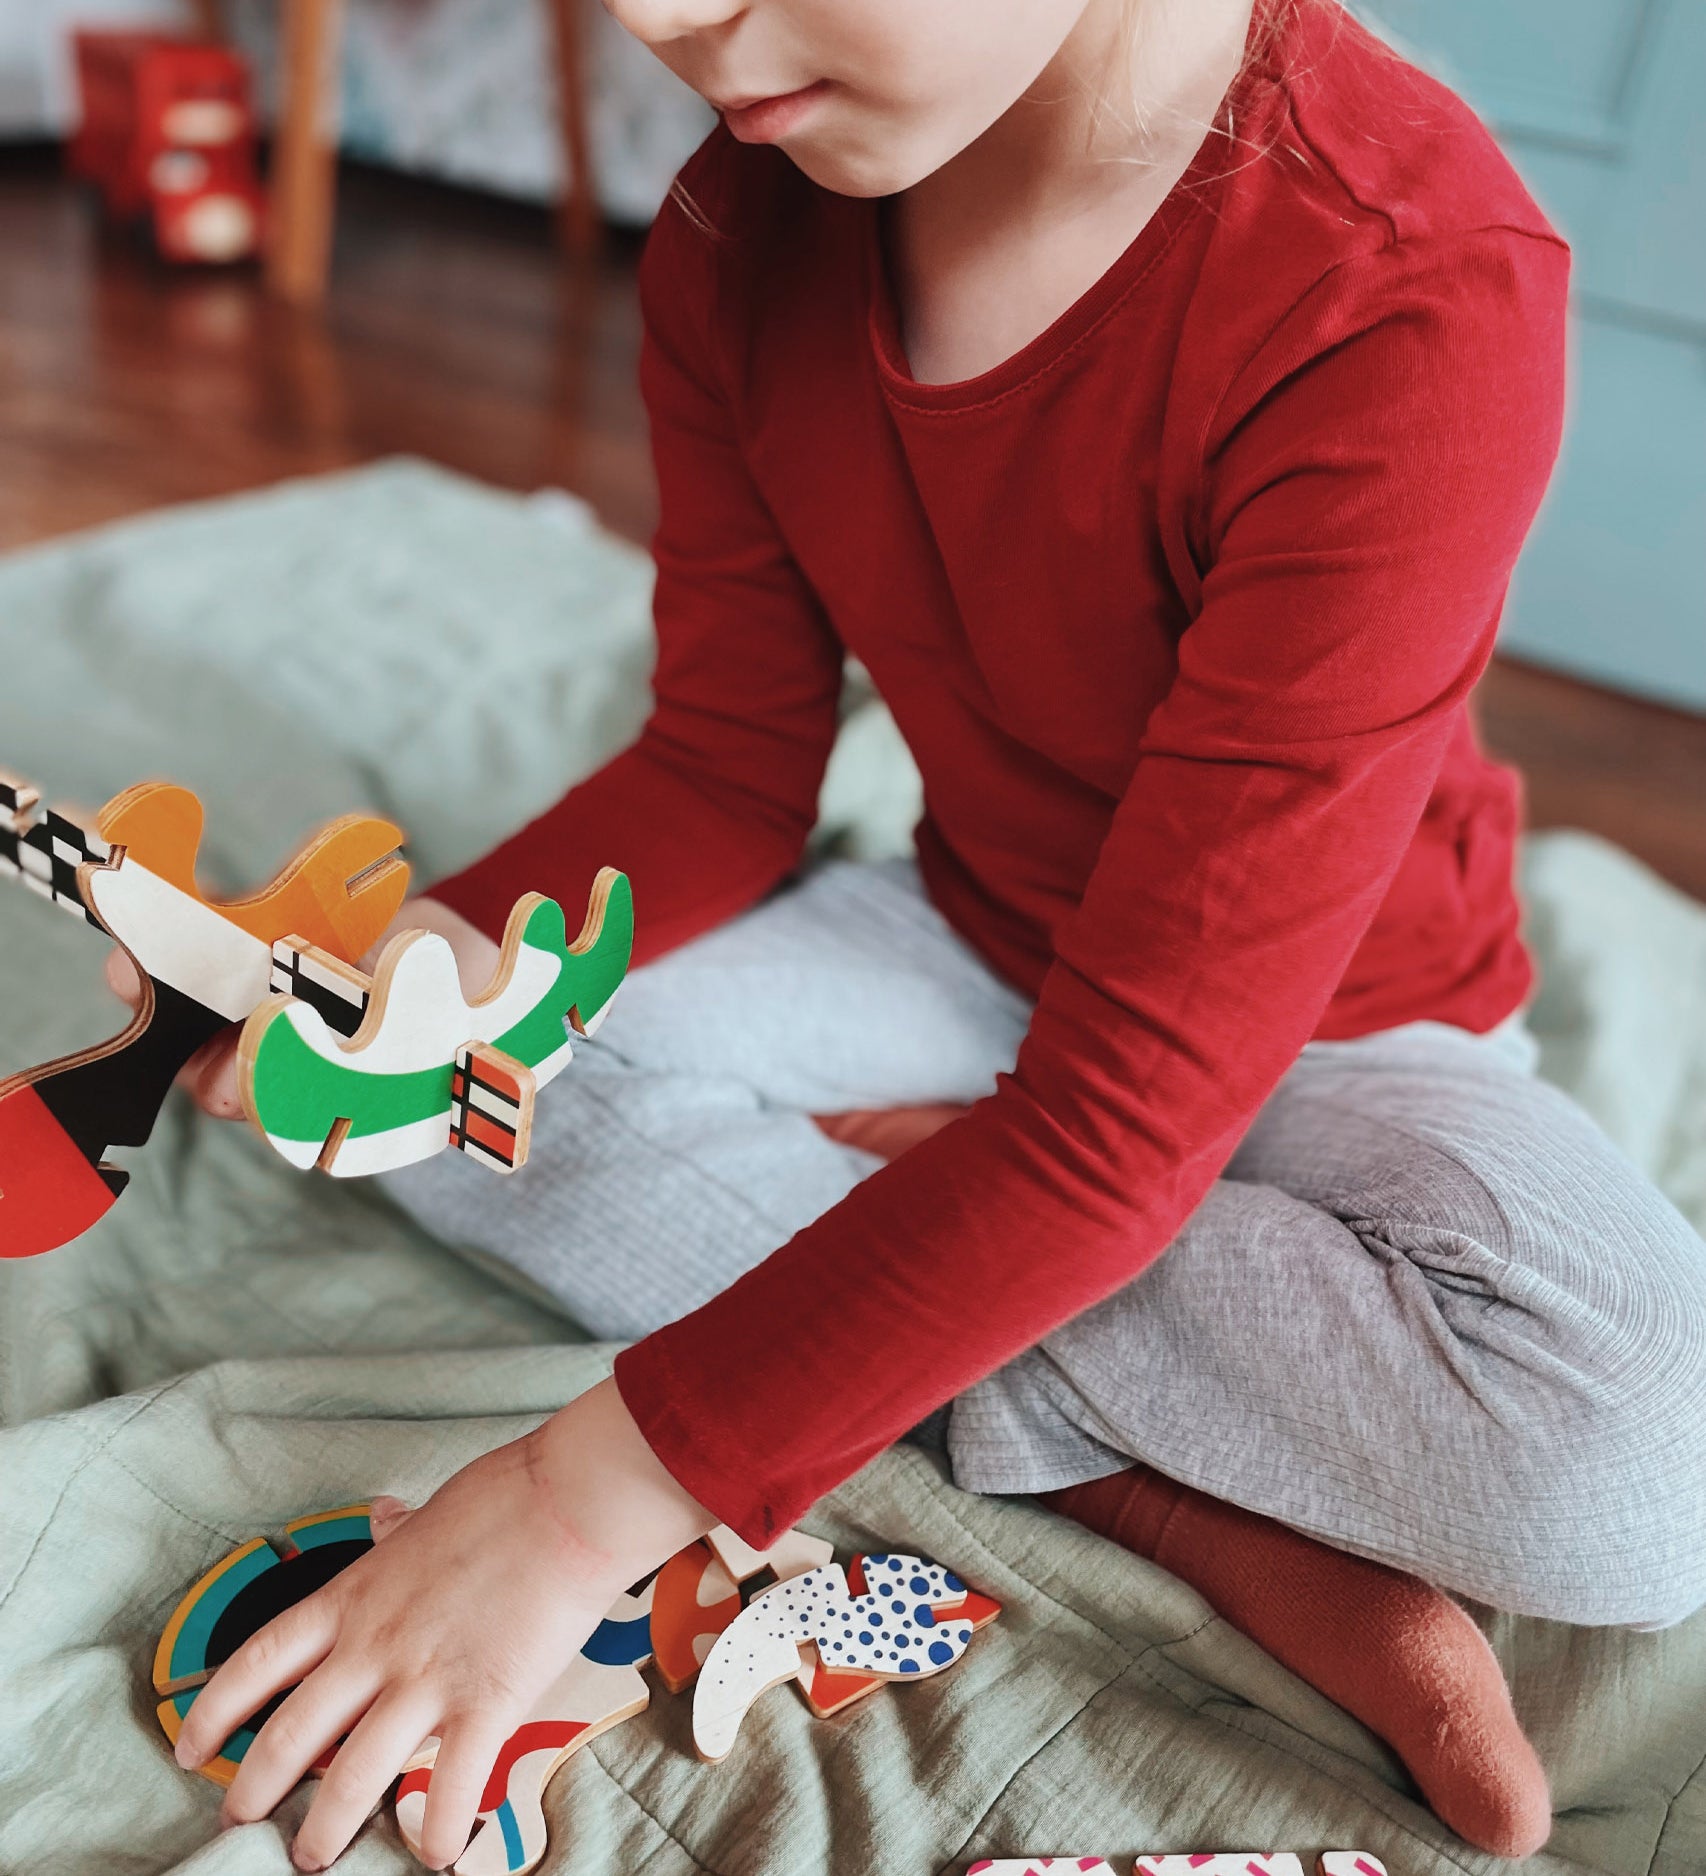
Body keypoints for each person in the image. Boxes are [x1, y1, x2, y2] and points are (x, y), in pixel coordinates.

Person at [145, 0, 1706, 1867]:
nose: (666, 18)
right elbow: (726, 765)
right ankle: (1158, 1492)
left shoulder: (1402, 288)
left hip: (1348, 1035)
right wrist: (441, 959)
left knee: (1639, 1470)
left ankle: (975, 1274)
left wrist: (574, 1505)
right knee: (447, 1107)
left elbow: (1133, 1105)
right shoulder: (745, 229)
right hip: (970, 954)